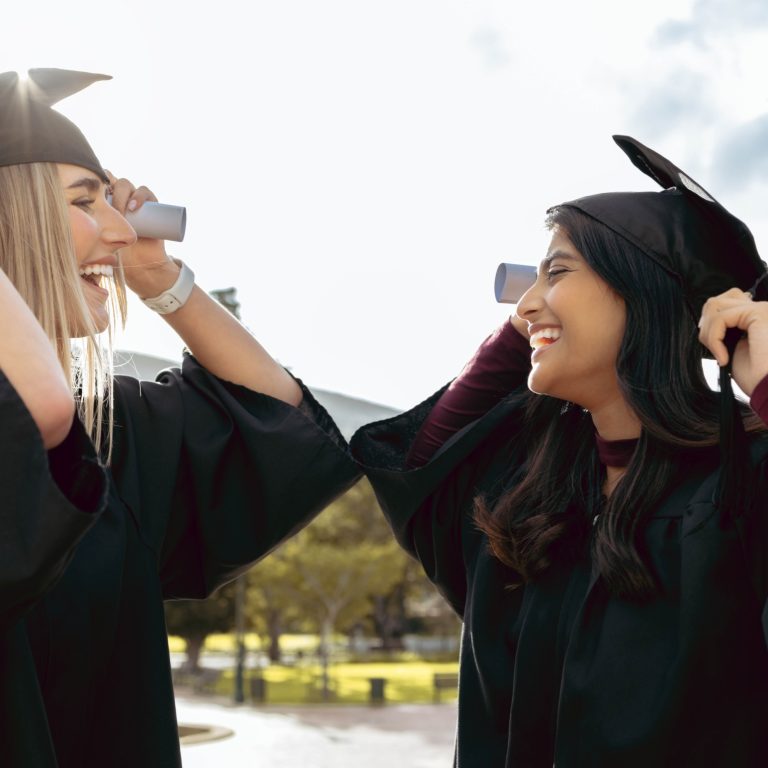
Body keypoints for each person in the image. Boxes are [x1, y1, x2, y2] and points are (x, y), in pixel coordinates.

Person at [351, 135, 768, 767]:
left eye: (560, 270)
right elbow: (423, 463)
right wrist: (536, 326)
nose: (522, 307)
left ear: (645, 290)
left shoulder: (745, 483)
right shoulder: (534, 494)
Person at [0, 68, 359, 767]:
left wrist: (162, 282)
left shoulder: (106, 438)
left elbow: (279, 426)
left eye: (112, 200)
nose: (117, 229)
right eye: (84, 201)